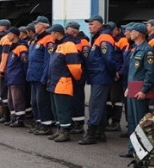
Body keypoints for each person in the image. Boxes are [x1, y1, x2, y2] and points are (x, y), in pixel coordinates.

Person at [120, 23, 154, 157]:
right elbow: (132, 72)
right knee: (131, 120)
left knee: (139, 122)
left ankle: (141, 151)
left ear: (138, 33)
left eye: (132, 31)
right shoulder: (136, 49)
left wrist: (144, 90)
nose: (129, 33)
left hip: (139, 91)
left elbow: (150, 72)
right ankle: (133, 149)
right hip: (132, 89)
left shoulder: (147, 50)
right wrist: (127, 88)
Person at [80, 15, 117, 145]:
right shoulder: (99, 38)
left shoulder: (104, 38)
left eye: (92, 24)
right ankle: (100, 133)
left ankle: (91, 134)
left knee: (95, 105)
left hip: (101, 76)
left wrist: (113, 73)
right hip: (98, 76)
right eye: (89, 24)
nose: (90, 26)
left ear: (100, 25)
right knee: (98, 105)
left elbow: (109, 59)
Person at [45, 24, 84, 142]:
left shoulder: (69, 45)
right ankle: (59, 129)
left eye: (51, 33)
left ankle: (65, 132)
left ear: (57, 33)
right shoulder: (58, 45)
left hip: (62, 83)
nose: (50, 35)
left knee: (63, 109)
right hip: (54, 82)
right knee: (56, 109)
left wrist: (76, 80)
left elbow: (75, 67)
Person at [26, 17, 56, 135]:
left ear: (43, 26)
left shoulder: (48, 39)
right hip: (33, 75)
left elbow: (48, 61)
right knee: (34, 101)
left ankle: (46, 124)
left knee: (42, 101)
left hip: (40, 76)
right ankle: (39, 122)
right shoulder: (36, 39)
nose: (34, 27)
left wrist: (45, 77)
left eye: (36, 24)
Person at [66, 21, 90, 134]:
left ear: (72, 30)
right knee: (72, 99)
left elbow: (86, 59)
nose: (66, 31)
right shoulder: (71, 41)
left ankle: (79, 124)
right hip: (71, 74)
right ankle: (73, 121)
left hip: (79, 74)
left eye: (67, 29)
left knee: (78, 99)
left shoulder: (83, 41)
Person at [4, 27, 29, 127]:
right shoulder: (13, 47)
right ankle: (13, 118)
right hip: (11, 77)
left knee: (17, 99)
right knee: (11, 100)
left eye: (9, 34)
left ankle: (20, 120)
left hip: (17, 78)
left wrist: (23, 76)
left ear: (14, 35)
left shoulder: (21, 47)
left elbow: (25, 63)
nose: (7, 36)